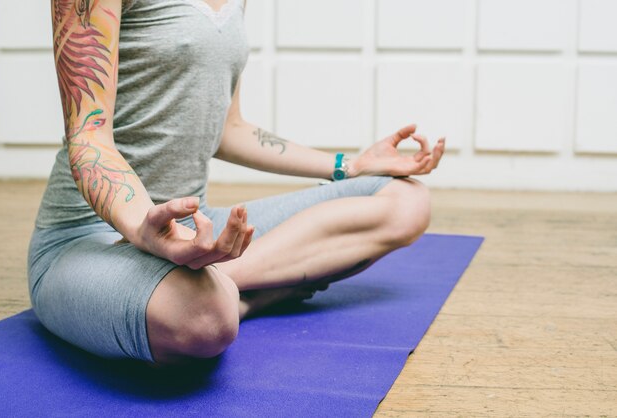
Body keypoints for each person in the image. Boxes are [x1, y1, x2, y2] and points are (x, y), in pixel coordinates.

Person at [29, 0, 445, 365]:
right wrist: (144, 229)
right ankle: (253, 290)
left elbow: (229, 129)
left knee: (404, 201)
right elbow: (88, 137)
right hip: (89, 237)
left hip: (196, 225)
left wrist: (349, 166)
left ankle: (226, 283)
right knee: (204, 320)